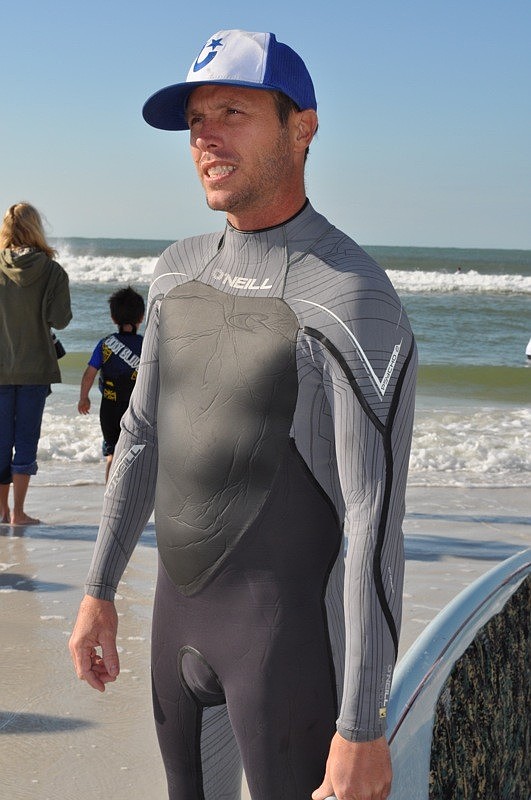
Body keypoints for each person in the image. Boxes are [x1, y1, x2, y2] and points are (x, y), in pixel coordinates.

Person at [69, 29, 417, 800]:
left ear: (303, 127)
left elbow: (372, 522)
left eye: (233, 110)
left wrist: (362, 725)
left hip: (287, 657)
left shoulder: (351, 298)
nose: (207, 136)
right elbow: (143, 437)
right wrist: (97, 593)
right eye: (196, 119)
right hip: (176, 638)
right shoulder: (175, 271)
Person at [0, 202, 72, 525]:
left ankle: (0, 511)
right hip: (35, 371)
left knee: (1, 442)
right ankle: (18, 513)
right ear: (36, 228)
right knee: (26, 441)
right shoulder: (52, 271)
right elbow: (60, 319)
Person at [78, 286, 145, 481]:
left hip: (109, 408)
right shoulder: (145, 345)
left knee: (112, 453)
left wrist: (84, 398)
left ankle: (110, 497)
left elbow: (89, 373)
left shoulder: (106, 344)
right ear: (141, 318)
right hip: (136, 408)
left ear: (113, 318)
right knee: (135, 451)